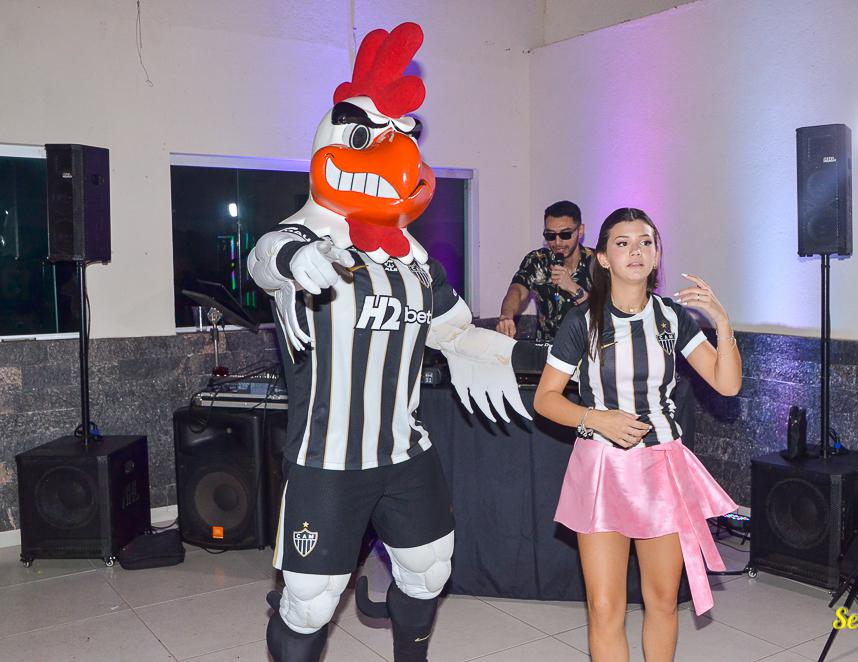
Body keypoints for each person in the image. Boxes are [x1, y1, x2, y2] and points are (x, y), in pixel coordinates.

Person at [248, 23, 537, 662]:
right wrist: (294, 263)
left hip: (406, 449)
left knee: (429, 570)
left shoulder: (413, 258)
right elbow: (266, 257)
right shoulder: (304, 237)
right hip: (328, 459)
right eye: (368, 138)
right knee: (310, 602)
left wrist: (545, 359)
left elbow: (456, 332)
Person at [533, 207, 742, 661]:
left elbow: (727, 384)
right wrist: (596, 418)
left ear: (657, 254)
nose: (636, 251)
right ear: (603, 257)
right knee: (605, 608)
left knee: (663, 600)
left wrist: (722, 323)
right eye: (623, 243)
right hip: (601, 469)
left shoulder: (672, 317)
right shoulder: (582, 321)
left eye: (646, 242)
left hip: (661, 468)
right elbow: (545, 399)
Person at [496, 200, 594, 343]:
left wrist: (572, 287)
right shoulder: (538, 260)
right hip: (546, 349)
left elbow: (606, 315)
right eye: (550, 236)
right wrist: (506, 316)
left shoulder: (598, 263)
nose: (557, 242)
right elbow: (517, 289)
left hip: (586, 350)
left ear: (580, 231)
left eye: (565, 234)